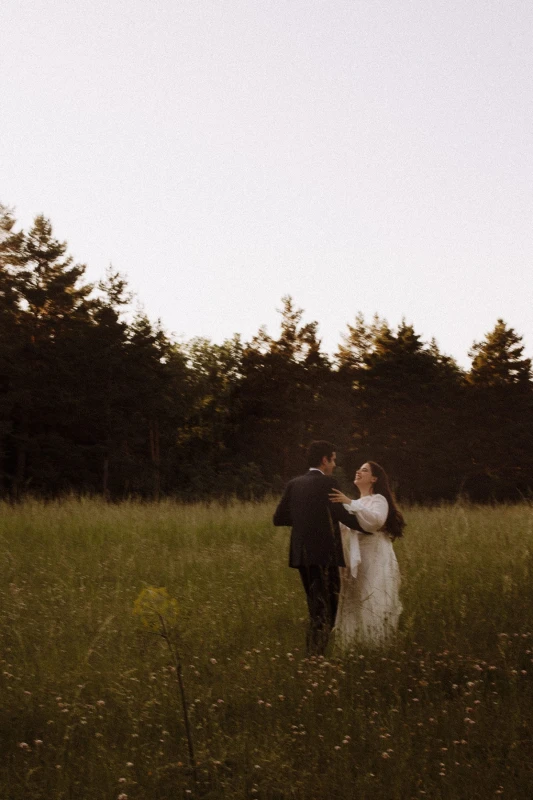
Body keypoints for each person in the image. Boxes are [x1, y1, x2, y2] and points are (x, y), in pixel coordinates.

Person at [273, 441, 365, 656]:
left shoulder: (293, 484)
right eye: (333, 459)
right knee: (327, 610)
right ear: (324, 460)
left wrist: (304, 521)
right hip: (325, 555)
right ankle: (314, 657)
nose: (334, 464)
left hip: (301, 556)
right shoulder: (327, 483)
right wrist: (371, 528)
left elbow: (278, 518)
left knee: (316, 607)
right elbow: (342, 515)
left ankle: (314, 655)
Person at [329, 461, 405, 649]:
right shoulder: (358, 502)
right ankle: (353, 645)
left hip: (376, 555)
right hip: (358, 557)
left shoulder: (378, 499)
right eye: (359, 469)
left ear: (374, 478)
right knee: (355, 598)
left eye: (364, 470)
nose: (358, 471)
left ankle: (375, 645)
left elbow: (375, 521)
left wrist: (349, 502)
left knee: (373, 595)